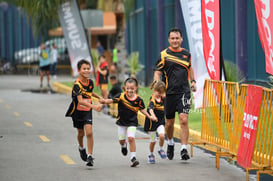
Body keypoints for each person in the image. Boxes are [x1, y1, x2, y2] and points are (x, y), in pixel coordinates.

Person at [153, 28, 197, 161]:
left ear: (181, 39)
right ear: (169, 40)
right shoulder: (163, 55)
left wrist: (193, 81)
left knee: (184, 120)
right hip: (168, 93)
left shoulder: (186, 54)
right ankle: (171, 143)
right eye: (172, 38)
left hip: (184, 92)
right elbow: (157, 72)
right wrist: (157, 87)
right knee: (169, 123)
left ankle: (184, 149)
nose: (175, 40)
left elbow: (189, 68)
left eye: (177, 38)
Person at [100, 77, 157, 167]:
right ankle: (123, 145)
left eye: (132, 88)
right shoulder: (121, 96)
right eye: (128, 88)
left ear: (136, 88)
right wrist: (104, 101)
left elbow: (142, 110)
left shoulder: (139, 100)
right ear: (125, 88)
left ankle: (133, 158)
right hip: (121, 122)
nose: (130, 90)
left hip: (132, 122)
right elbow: (110, 100)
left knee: (131, 138)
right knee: (121, 140)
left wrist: (150, 116)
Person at [65, 59, 103, 167]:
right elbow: (80, 101)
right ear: (79, 70)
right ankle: (81, 147)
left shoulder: (90, 82)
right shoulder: (77, 85)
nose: (87, 71)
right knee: (81, 133)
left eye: (88, 68)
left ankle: (90, 156)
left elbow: (90, 93)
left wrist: (100, 98)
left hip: (87, 111)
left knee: (89, 132)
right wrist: (94, 106)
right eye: (84, 69)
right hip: (77, 111)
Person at [144, 80, 167, 164]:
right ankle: (151, 154)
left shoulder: (163, 98)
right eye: (158, 92)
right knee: (153, 140)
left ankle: (160, 149)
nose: (159, 94)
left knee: (162, 136)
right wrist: (153, 116)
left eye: (161, 92)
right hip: (152, 123)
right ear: (154, 90)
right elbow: (150, 109)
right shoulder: (152, 99)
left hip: (160, 121)